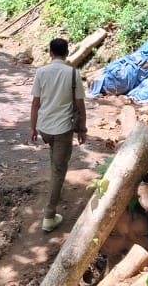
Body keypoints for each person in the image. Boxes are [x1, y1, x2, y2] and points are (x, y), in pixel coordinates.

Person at [28, 37, 87, 233]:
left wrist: (32, 127)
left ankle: (55, 191)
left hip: (45, 127)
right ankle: (49, 216)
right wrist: (82, 129)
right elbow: (80, 105)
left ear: (50, 53)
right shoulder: (72, 74)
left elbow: (35, 103)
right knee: (58, 170)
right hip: (62, 128)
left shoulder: (41, 72)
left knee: (55, 160)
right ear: (67, 52)